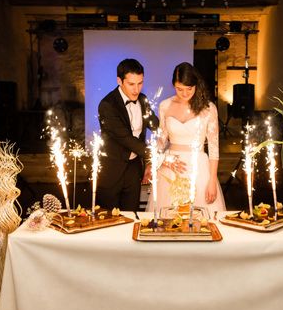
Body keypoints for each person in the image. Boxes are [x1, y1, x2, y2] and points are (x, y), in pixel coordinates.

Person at [147, 62, 226, 215]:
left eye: (189, 89)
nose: (184, 93)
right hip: (171, 167)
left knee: (200, 218)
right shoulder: (165, 105)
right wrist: (161, 160)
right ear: (173, 85)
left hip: (199, 168)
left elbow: (214, 147)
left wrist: (212, 181)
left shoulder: (208, 108)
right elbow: (161, 141)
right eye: (179, 89)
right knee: (168, 218)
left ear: (196, 85)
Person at [97, 58, 159, 211]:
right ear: (119, 81)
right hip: (111, 170)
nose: (136, 90)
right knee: (109, 219)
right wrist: (157, 156)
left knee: (132, 215)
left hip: (133, 169)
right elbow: (126, 139)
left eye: (140, 83)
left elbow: (156, 126)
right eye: (131, 84)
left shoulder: (143, 100)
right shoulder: (107, 105)